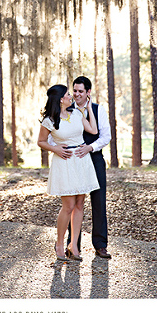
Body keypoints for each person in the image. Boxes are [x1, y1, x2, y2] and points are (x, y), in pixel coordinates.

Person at [49, 76, 112, 259]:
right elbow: (53, 136)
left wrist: (90, 148)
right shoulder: (65, 110)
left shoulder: (98, 110)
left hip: (94, 158)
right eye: (74, 91)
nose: (76, 94)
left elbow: (105, 136)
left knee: (98, 202)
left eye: (80, 91)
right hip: (72, 160)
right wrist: (60, 149)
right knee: (74, 204)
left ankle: (100, 245)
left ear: (88, 93)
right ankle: (72, 244)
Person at [37, 84, 100, 262]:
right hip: (64, 161)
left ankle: (74, 245)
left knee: (80, 204)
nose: (70, 96)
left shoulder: (77, 113)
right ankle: (59, 244)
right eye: (66, 94)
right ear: (59, 99)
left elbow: (93, 131)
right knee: (69, 206)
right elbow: (41, 141)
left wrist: (88, 108)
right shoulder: (49, 120)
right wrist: (55, 148)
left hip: (81, 161)